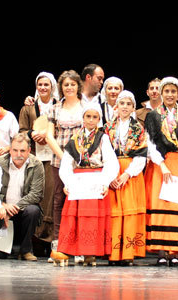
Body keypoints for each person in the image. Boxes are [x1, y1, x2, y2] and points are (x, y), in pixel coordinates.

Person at [144, 77, 178, 267]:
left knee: (177, 205)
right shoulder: (153, 116)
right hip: (161, 166)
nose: (169, 95)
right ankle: (161, 250)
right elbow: (150, 144)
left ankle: (175, 250)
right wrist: (161, 164)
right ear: (161, 93)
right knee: (162, 208)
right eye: (166, 91)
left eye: (173, 91)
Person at [57, 103, 119, 266]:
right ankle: (76, 251)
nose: (91, 120)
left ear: (99, 120)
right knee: (77, 218)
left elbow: (111, 162)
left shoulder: (103, 138)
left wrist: (105, 181)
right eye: (88, 116)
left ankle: (91, 252)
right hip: (78, 181)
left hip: (95, 180)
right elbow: (66, 163)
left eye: (95, 117)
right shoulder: (75, 139)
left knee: (92, 219)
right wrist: (67, 182)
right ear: (83, 118)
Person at [103, 90, 148, 265]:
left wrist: (127, 174)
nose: (125, 107)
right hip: (112, 171)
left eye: (129, 104)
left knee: (129, 213)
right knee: (114, 213)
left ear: (133, 107)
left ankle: (128, 253)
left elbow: (141, 155)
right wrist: (111, 176)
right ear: (117, 106)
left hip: (130, 173)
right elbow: (104, 153)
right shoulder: (108, 127)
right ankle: (113, 254)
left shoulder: (138, 129)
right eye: (122, 103)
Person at [43, 70, 84, 264]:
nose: (69, 88)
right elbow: (49, 136)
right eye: (66, 85)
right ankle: (58, 244)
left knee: (79, 202)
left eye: (72, 84)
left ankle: (79, 245)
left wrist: (77, 159)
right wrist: (65, 159)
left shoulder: (85, 107)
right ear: (61, 87)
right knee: (58, 201)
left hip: (82, 162)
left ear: (78, 86)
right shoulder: (54, 109)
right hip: (59, 161)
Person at [18, 72, 58, 250]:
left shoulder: (59, 106)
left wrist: (49, 135)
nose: (43, 87)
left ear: (52, 87)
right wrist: (32, 134)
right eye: (40, 84)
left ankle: (49, 237)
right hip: (34, 157)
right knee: (35, 194)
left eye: (46, 85)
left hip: (53, 156)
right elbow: (22, 130)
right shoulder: (29, 107)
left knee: (50, 196)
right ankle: (34, 238)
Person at [0, 133, 45, 261]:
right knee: (0, 256)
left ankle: (26, 250)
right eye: (15, 150)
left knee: (33, 210)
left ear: (29, 151)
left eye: (22, 151)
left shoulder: (36, 164)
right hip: (1, 209)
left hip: (22, 210)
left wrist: (14, 208)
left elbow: (36, 194)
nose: (18, 154)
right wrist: (3, 206)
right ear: (10, 150)